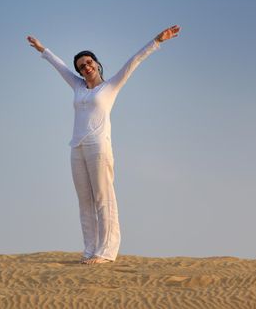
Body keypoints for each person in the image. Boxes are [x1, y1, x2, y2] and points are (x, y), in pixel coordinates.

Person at [27, 25, 180, 264]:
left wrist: (157, 41)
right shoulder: (77, 86)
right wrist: (42, 50)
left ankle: (106, 252)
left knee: (103, 198)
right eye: (81, 67)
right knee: (84, 200)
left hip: (99, 147)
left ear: (96, 64)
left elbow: (134, 61)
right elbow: (60, 68)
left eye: (88, 63)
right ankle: (90, 250)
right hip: (77, 147)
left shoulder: (110, 86)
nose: (85, 68)